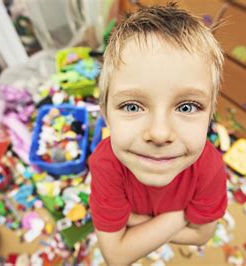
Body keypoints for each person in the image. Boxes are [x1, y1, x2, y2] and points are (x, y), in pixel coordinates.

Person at [88, 2, 227, 265]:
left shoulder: (210, 168)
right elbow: (116, 256)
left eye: (187, 106)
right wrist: (183, 217)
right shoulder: (105, 163)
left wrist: (133, 222)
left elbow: (201, 237)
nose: (160, 134)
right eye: (131, 106)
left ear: (210, 116)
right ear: (105, 113)